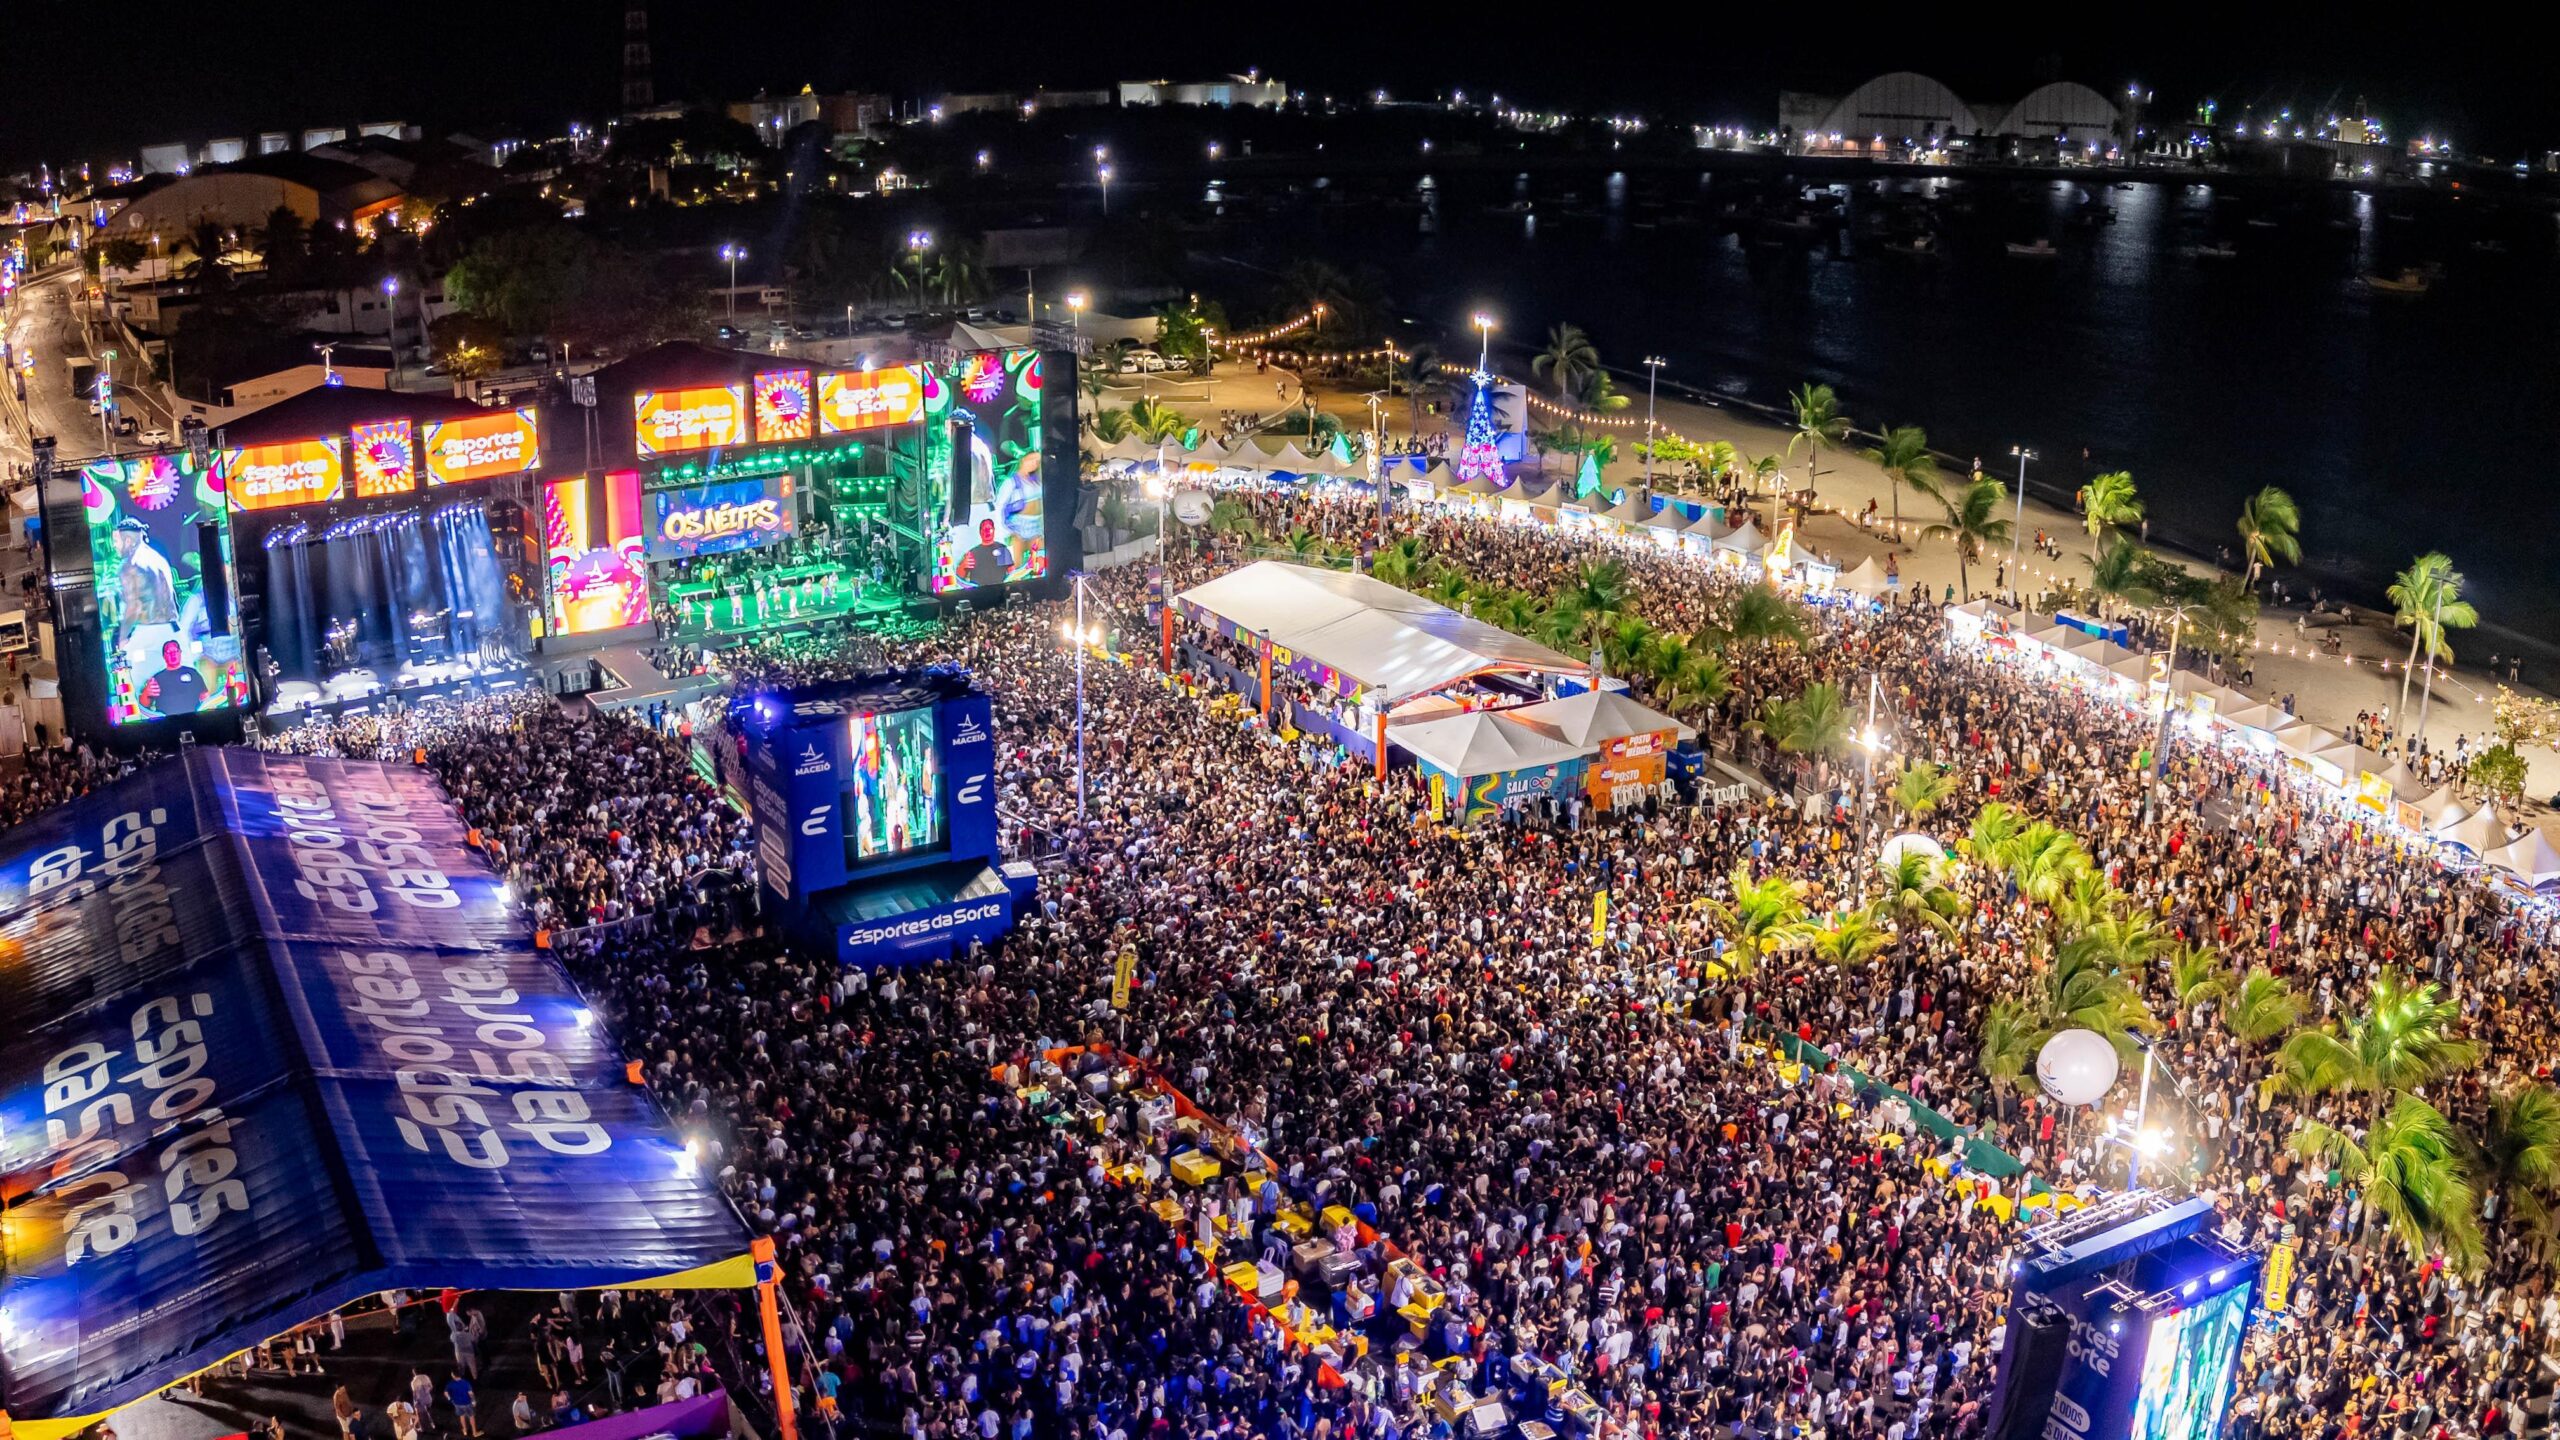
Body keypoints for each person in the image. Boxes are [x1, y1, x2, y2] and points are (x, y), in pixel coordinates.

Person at [956, 518, 1014, 587]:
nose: (987, 531)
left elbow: (1012, 574)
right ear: (980, 532)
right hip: (978, 594)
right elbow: (959, 578)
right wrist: (963, 566)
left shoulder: (1001, 549)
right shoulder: (972, 553)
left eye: (989, 528)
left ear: (994, 530)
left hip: (1000, 591)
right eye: (984, 529)